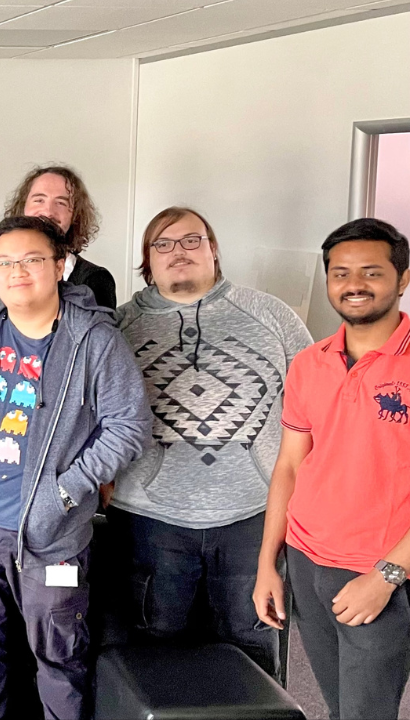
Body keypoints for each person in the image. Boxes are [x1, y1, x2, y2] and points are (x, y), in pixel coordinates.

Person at [0, 215, 150, 720]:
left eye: (31, 259)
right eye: (4, 262)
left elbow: (129, 426)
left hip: (52, 533)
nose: (16, 271)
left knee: (59, 658)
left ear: (60, 265)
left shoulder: (94, 341)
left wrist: (65, 493)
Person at [110, 207, 311, 677]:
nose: (178, 252)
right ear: (147, 261)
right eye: (163, 244)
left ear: (214, 250)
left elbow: (318, 400)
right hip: (148, 517)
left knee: (253, 648)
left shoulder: (271, 315)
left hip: (253, 516)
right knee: (155, 648)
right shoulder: (117, 327)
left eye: (191, 240)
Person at [254, 218, 410, 720]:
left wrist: (387, 575)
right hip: (306, 560)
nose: (354, 285)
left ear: (403, 279)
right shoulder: (309, 362)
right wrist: (268, 564)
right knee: (339, 706)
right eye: (340, 274)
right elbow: (290, 466)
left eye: (371, 272)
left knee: (368, 712)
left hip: (378, 568)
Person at [4, 165, 116, 309]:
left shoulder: (96, 279)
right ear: (22, 207)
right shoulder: (0, 271)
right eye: (39, 200)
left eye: (61, 203)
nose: (48, 211)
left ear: (75, 215)